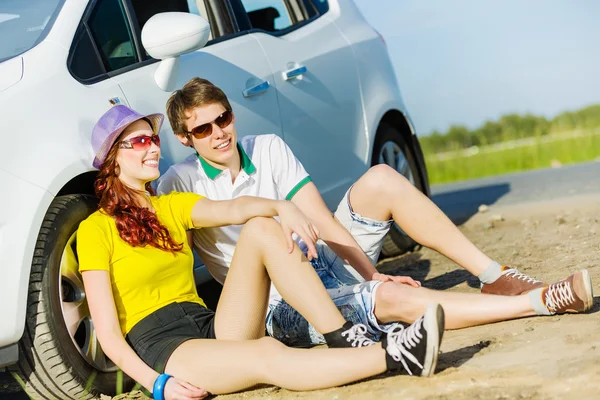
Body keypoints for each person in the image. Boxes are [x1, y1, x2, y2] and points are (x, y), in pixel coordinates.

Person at [158, 77, 594, 348]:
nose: (219, 133)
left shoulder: (267, 147)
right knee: (391, 301)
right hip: (280, 300)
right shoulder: (178, 183)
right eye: (203, 128)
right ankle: (542, 302)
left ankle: (494, 275)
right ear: (185, 137)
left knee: (382, 177)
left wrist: (372, 272)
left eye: (224, 118)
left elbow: (322, 219)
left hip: (318, 256)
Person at [78, 104, 447, 400]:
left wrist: (280, 207)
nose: (154, 147)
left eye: (154, 138)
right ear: (113, 158)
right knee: (266, 354)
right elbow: (109, 334)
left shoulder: (171, 206)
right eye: (140, 142)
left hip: (210, 323)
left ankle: (341, 333)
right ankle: (396, 356)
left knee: (259, 228)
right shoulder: (94, 230)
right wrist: (157, 385)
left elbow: (234, 209)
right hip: (163, 343)